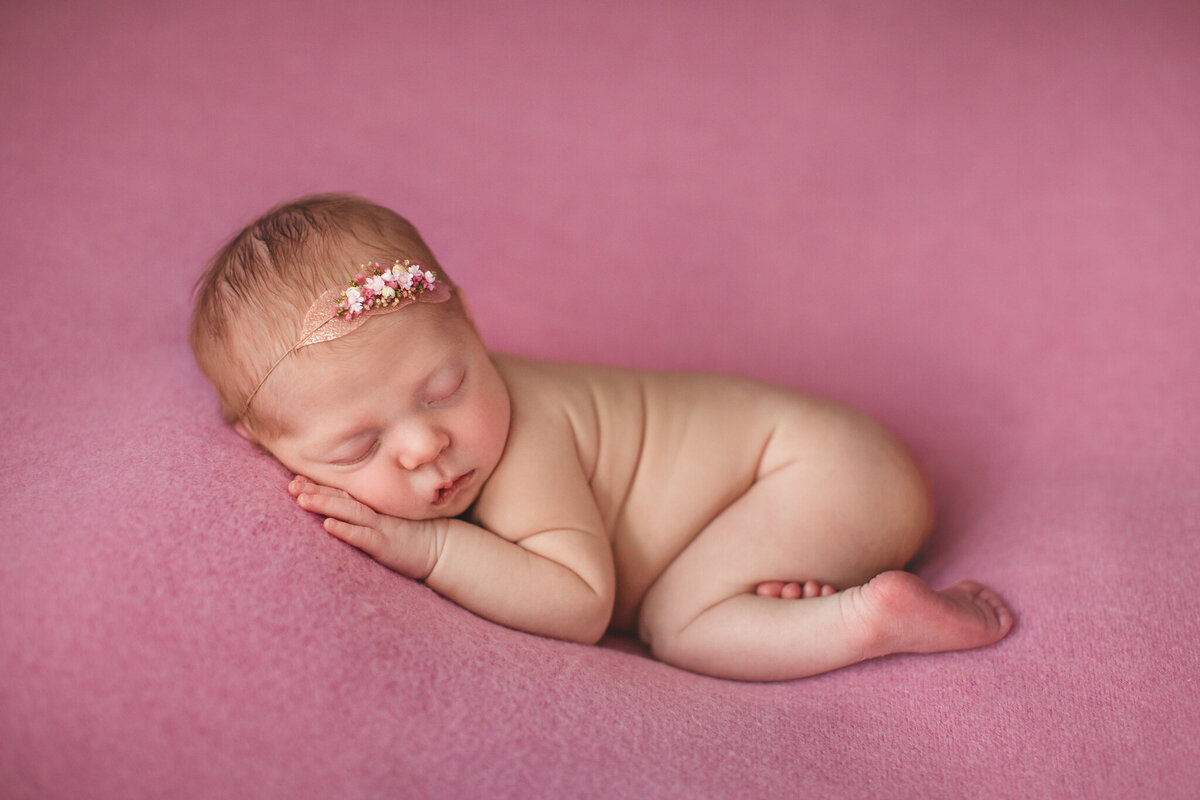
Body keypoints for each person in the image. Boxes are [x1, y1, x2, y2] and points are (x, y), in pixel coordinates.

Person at [189, 193, 1013, 681]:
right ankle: (795, 585)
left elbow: (580, 604)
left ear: (473, 327)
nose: (424, 446)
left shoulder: (525, 437)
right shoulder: (444, 430)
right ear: (265, 445)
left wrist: (433, 552)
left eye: (446, 388)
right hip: (808, 480)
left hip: (821, 472)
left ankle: (870, 620)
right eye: (356, 449)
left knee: (680, 625)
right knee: (695, 595)